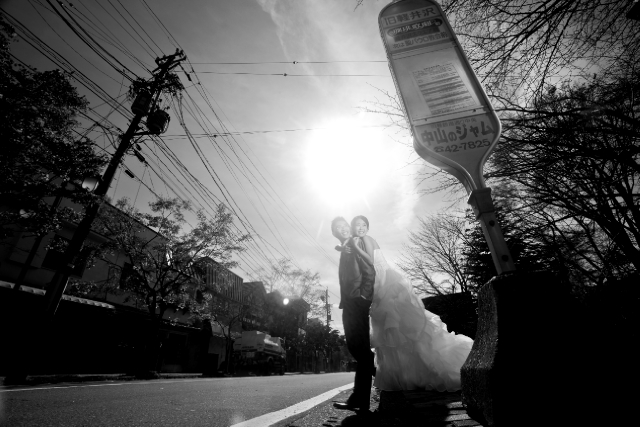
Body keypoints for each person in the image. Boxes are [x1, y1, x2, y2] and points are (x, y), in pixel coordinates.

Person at [362, 217, 474, 392]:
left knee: (407, 339)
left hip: (390, 305)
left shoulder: (386, 271)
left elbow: (392, 283)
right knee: (391, 342)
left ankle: (414, 376)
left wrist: (389, 299)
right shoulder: (365, 270)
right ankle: (402, 377)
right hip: (380, 306)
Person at [331, 216, 376, 412]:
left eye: (344, 225)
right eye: (337, 228)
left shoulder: (356, 243)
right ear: (335, 233)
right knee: (356, 348)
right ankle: (362, 396)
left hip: (358, 301)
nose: (342, 229)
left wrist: (364, 297)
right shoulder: (346, 246)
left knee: (361, 350)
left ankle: (361, 398)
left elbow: (369, 270)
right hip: (349, 302)